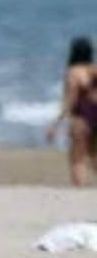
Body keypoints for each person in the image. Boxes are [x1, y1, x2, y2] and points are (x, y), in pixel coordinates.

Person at [47, 37, 97, 187]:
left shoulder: (73, 72)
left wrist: (55, 125)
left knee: (77, 158)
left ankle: (80, 190)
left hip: (82, 117)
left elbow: (70, 101)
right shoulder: (94, 70)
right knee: (94, 155)